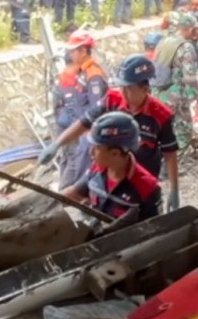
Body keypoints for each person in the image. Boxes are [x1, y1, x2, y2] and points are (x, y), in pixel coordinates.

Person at [45, 54, 181, 212]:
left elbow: (170, 154)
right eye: (122, 86)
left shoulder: (160, 116)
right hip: (107, 174)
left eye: (129, 88)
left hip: (138, 186)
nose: (123, 92)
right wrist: (57, 144)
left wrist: (174, 189)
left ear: (145, 88)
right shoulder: (111, 99)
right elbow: (84, 123)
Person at [60, 112, 162, 223]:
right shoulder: (97, 169)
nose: (91, 152)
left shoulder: (147, 188)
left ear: (115, 153)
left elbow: (154, 231)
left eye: (97, 147)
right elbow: (74, 193)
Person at [46, 33, 108, 188]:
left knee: (84, 172)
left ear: (83, 51)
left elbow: (97, 108)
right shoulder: (82, 73)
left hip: (89, 133)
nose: (71, 54)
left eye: (74, 51)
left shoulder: (93, 75)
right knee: (77, 165)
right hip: (82, 130)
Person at [151, 11, 198, 154]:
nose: (196, 34)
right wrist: (196, 99)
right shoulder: (186, 47)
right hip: (175, 97)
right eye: (195, 30)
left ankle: (161, 160)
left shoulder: (163, 42)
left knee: (163, 129)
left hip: (157, 94)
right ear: (191, 29)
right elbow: (189, 77)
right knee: (183, 130)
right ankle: (177, 161)